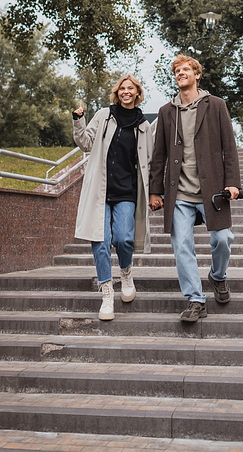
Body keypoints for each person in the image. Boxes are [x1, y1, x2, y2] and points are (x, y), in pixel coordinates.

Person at [149, 54, 240, 323]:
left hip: (212, 191)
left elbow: (229, 148)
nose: (180, 73)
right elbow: (159, 155)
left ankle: (218, 276)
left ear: (197, 74)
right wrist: (156, 191)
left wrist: (233, 182)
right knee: (182, 245)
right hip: (179, 194)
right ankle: (195, 299)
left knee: (223, 239)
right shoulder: (167, 112)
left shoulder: (216, 105)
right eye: (176, 71)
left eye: (186, 69)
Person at [72, 75, 153, 321]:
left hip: (127, 191)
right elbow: (85, 143)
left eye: (131, 89)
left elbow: (148, 162)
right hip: (101, 189)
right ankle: (107, 292)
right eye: (122, 89)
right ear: (117, 93)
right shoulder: (104, 115)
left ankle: (126, 272)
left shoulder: (144, 125)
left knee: (124, 238)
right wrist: (78, 120)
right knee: (101, 240)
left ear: (137, 93)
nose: (126, 92)